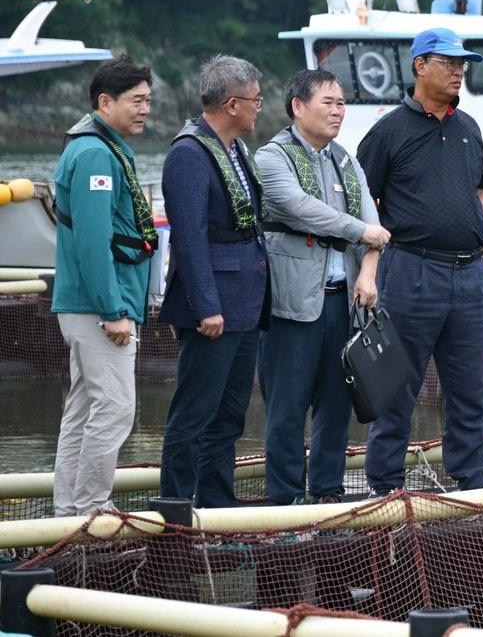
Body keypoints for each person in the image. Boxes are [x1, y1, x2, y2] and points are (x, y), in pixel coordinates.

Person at [356, 28, 483, 494]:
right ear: (420, 65)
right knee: (396, 386)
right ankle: (384, 484)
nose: (460, 70)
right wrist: (372, 266)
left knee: (471, 389)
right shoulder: (387, 131)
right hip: (411, 269)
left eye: (463, 63)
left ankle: (474, 483)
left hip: (468, 273)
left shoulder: (469, 127)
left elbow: (482, 193)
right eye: (449, 62)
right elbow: (363, 204)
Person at [255, 69, 391, 505]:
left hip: (343, 304)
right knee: (287, 411)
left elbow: (375, 228)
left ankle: (329, 493)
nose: (338, 111)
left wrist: (369, 272)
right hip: (291, 304)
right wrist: (365, 234)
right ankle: (286, 500)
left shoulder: (346, 161)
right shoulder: (272, 157)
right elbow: (299, 209)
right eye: (328, 102)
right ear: (298, 106)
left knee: (336, 407)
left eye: (341, 103)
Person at [158, 54, 269, 507]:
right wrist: (206, 306)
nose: (261, 107)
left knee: (230, 416)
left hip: (245, 300)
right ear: (231, 104)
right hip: (215, 306)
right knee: (193, 414)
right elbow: (188, 239)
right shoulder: (188, 153)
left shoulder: (236, 149)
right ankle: (178, 509)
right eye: (256, 100)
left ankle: (217, 504)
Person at [50, 57, 156, 516]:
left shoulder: (98, 145)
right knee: (114, 410)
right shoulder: (95, 153)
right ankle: (92, 507)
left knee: (83, 411)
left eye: (149, 100)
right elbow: (94, 242)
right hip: (99, 307)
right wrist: (113, 310)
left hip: (86, 304)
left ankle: (66, 510)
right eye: (136, 101)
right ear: (105, 102)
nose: (145, 109)